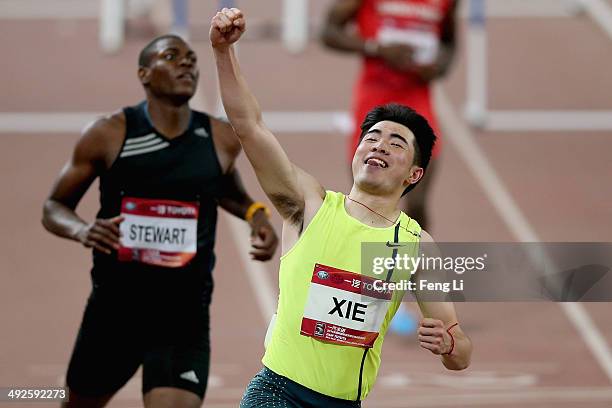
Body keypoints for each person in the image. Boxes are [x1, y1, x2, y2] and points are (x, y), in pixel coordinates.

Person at [210, 8, 471, 407]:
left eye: (396, 143)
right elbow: (249, 126)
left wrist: (449, 344)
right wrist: (223, 52)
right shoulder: (308, 204)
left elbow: (460, 352)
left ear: (414, 175)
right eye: (372, 137)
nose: (379, 145)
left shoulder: (418, 248)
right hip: (277, 395)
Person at [42, 34, 278, 408]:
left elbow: (224, 187)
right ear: (145, 74)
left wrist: (255, 215)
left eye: (191, 59)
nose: (187, 64)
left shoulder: (219, 137)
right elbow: (54, 207)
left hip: (184, 314)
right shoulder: (109, 134)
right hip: (116, 310)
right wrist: (83, 230)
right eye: (172, 56)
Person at [321, 0, 460, 231]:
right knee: (367, 202)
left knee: (416, 204)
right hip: (373, 103)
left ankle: (411, 264)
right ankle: (366, 263)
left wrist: (439, 66)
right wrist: (378, 49)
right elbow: (328, 32)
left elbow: (449, 41)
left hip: (418, 103)